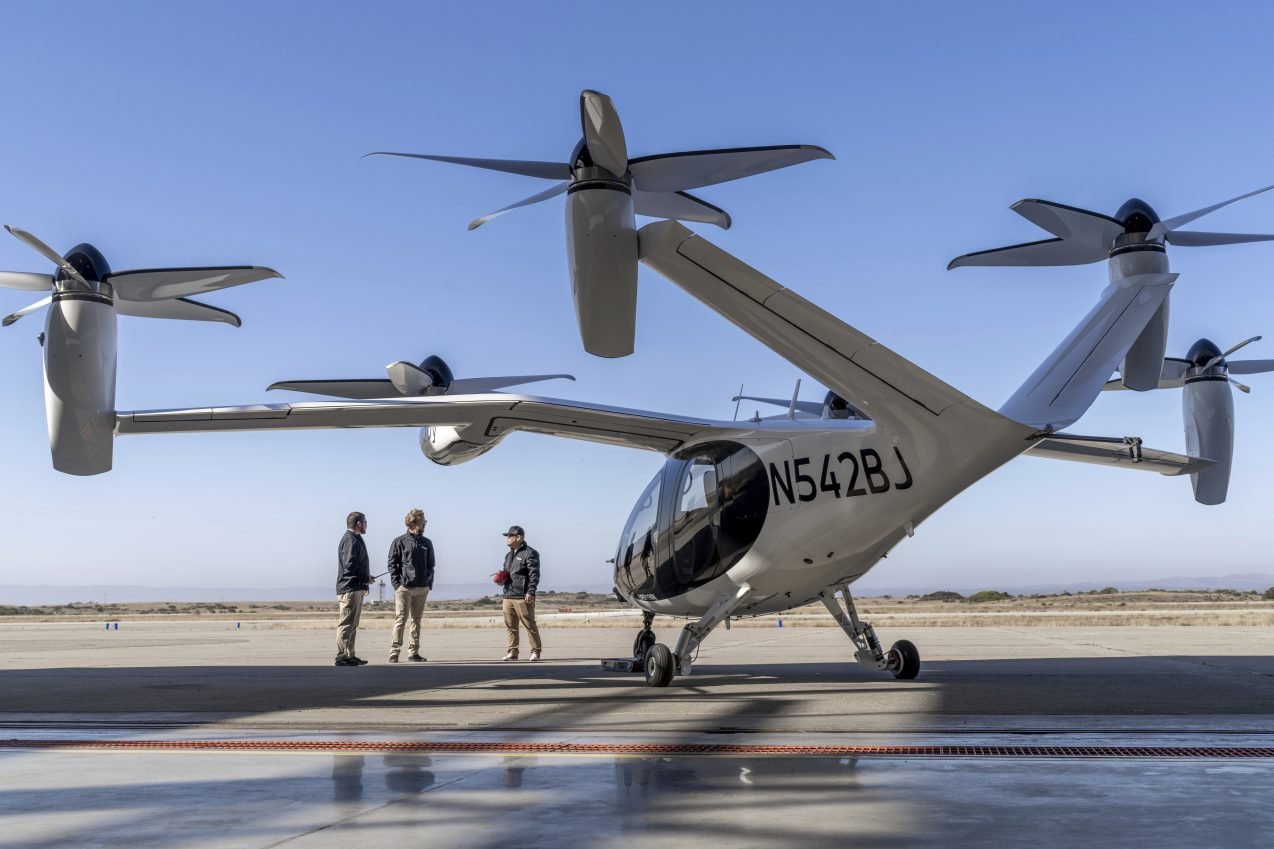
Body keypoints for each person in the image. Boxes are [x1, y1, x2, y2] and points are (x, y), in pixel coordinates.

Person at [387, 507, 435, 663]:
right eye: (423, 521)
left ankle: (413, 652)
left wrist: (429, 583)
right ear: (413, 522)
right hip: (404, 588)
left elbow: (431, 565)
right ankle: (394, 652)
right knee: (400, 618)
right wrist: (397, 584)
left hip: (422, 588)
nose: (425, 524)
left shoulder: (427, 542)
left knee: (416, 620)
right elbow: (392, 563)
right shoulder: (399, 541)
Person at [499, 525, 542, 661]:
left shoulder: (530, 553)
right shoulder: (508, 555)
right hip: (508, 595)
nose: (507, 538)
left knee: (529, 625)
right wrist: (501, 579)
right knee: (510, 626)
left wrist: (531, 591)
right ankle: (513, 652)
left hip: (522, 596)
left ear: (519, 537)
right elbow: (507, 571)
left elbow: (534, 574)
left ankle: (535, 651)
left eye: (509, 536)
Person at [335, 511, 371, 667]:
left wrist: (364, 583)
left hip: (357, 587)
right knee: (346, 623)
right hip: (349, 588)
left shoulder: (356, 539)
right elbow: (350, 565)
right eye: (365, 522)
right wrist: (364, 579)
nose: (366, 525)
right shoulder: (350, 540)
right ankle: (342, 656)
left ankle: (350, 654)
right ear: (358, 523)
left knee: (353, 624)